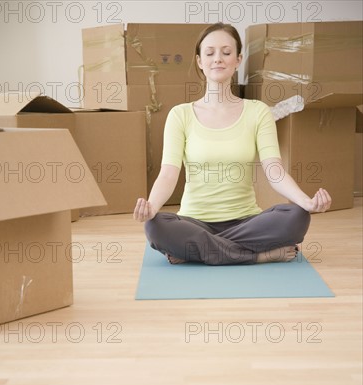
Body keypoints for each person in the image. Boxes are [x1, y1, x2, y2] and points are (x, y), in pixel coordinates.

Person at [133, 22, 332, 265]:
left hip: (246, 221)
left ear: (238, 60)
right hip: (193, 222)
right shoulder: (180, 114)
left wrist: (306, 201)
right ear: (199, 61)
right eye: (210, 53)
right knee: (155, 226)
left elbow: (274, 171)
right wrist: (152, 207)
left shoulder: (258, 112)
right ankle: (258, 256)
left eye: (226, 53)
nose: (218, 59)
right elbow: (168, 174)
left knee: (296, 216)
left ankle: (197, 251)